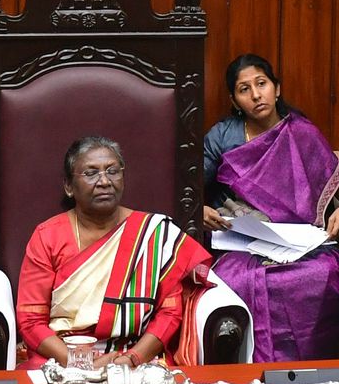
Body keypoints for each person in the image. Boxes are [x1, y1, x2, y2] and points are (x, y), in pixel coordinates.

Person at [200, 53, 339, 361]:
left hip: (301, 246)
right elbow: (185, 187)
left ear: (277, 89)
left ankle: (306, 371)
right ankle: (244, 371)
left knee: (321, 276)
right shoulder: (222, 136)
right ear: (234, 100)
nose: (256, 95)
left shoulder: (302, 134)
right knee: (234, 280)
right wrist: (199, 209)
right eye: (244, 89)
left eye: (261, 84)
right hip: (241, 244)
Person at [16, 136, 214, 370]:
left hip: (137, 356)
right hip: (63, 358)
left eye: (112, 171)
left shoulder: (153, 233)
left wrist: (131, 359)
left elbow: (169, 313)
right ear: (69, 186)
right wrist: (79, 362)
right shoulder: (47, 236)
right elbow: (31, 320)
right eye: (91, 173)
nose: (104, 181)